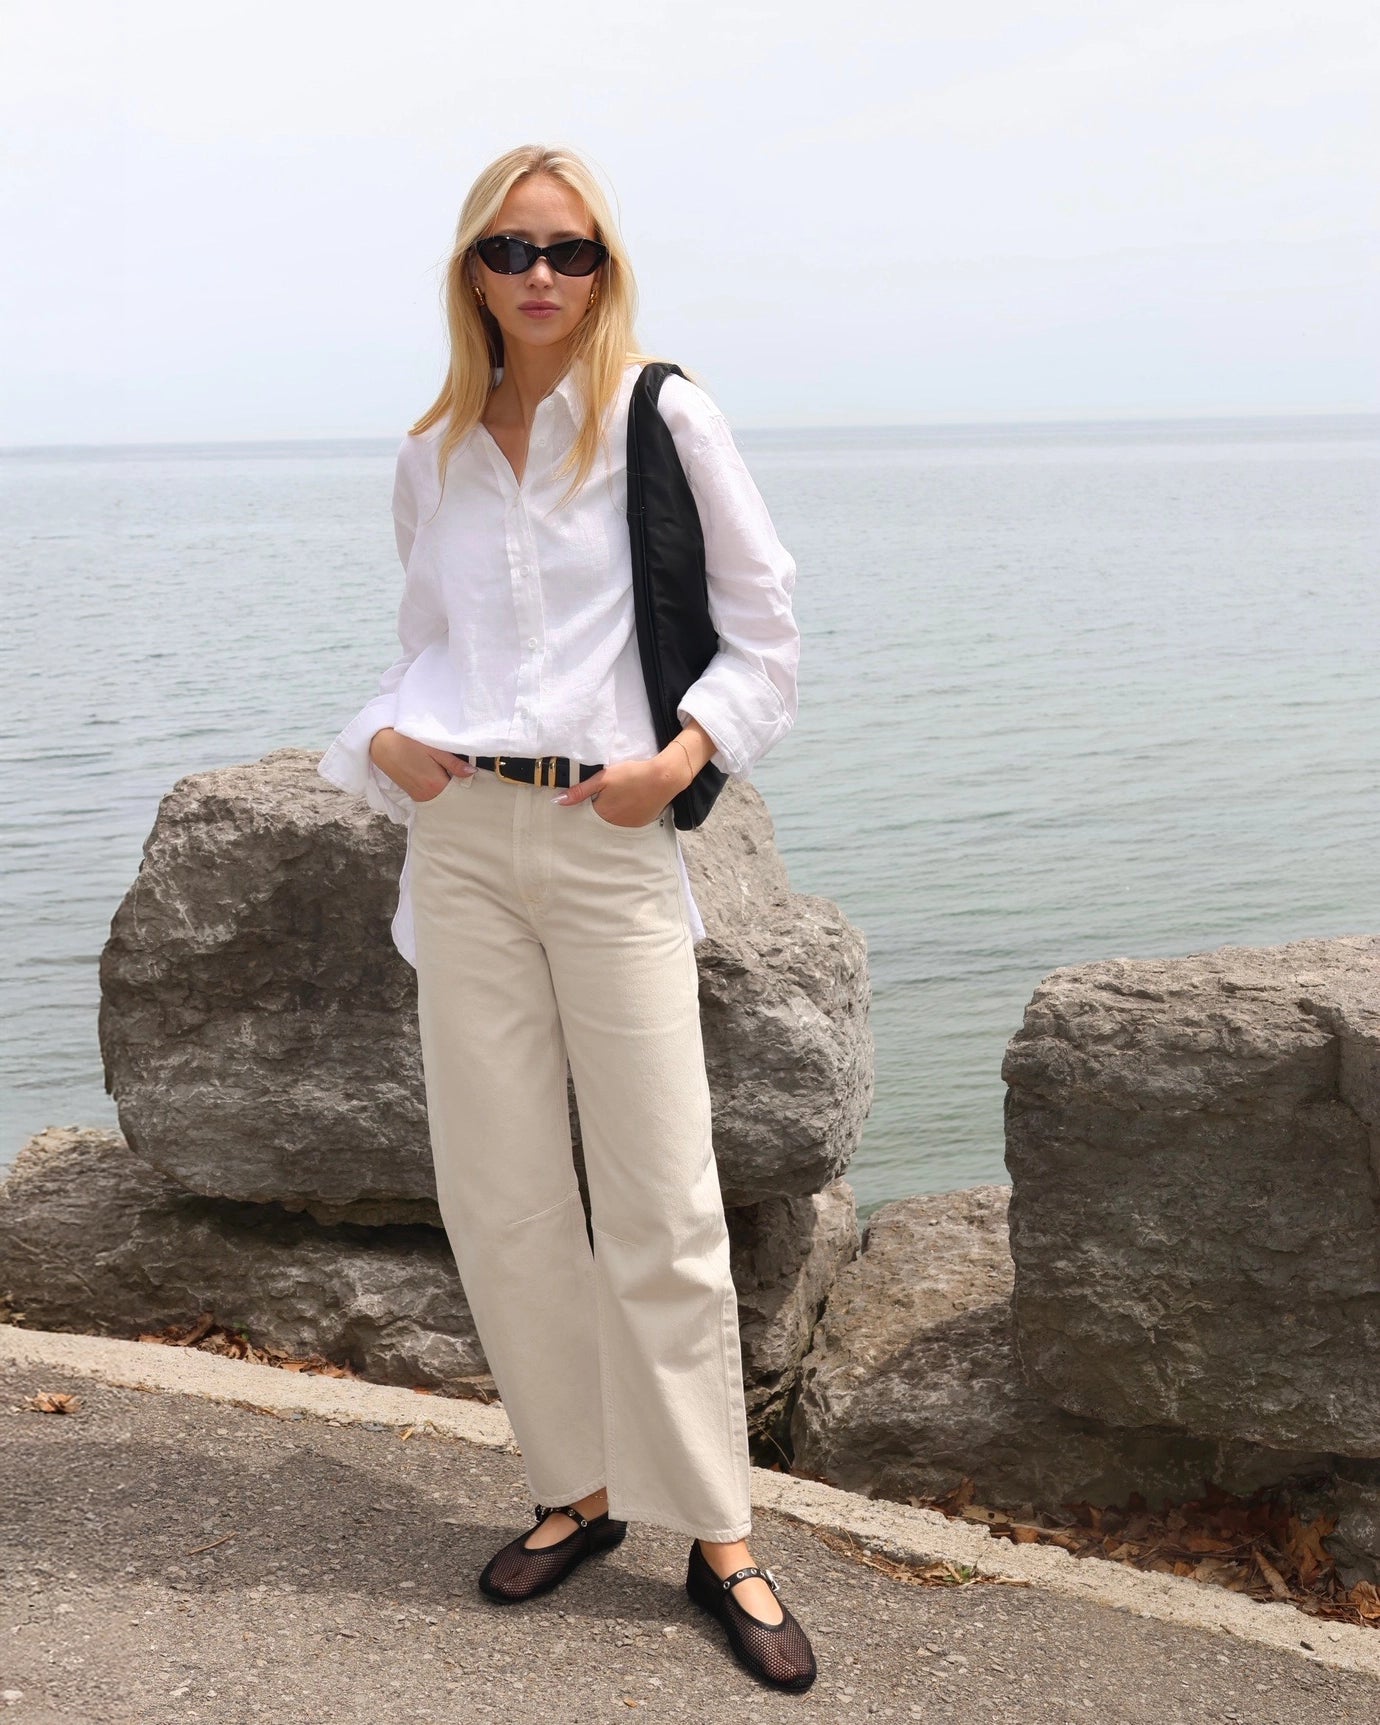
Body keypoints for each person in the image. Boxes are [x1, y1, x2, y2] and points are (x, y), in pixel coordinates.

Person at [317, 142, 814, 1693]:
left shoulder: (665, 416)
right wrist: (383, 743)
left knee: (663, 1193)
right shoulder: (436, 451)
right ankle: (577, 1489)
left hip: (607, 842)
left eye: (574, 250)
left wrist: (676, 757)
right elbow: (423, 648)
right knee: (502, 1186)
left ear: (607, 266)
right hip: (461, 839)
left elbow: (769, 628)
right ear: (473, 270)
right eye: (515, 250)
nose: (544, 276)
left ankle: (719, 1532)